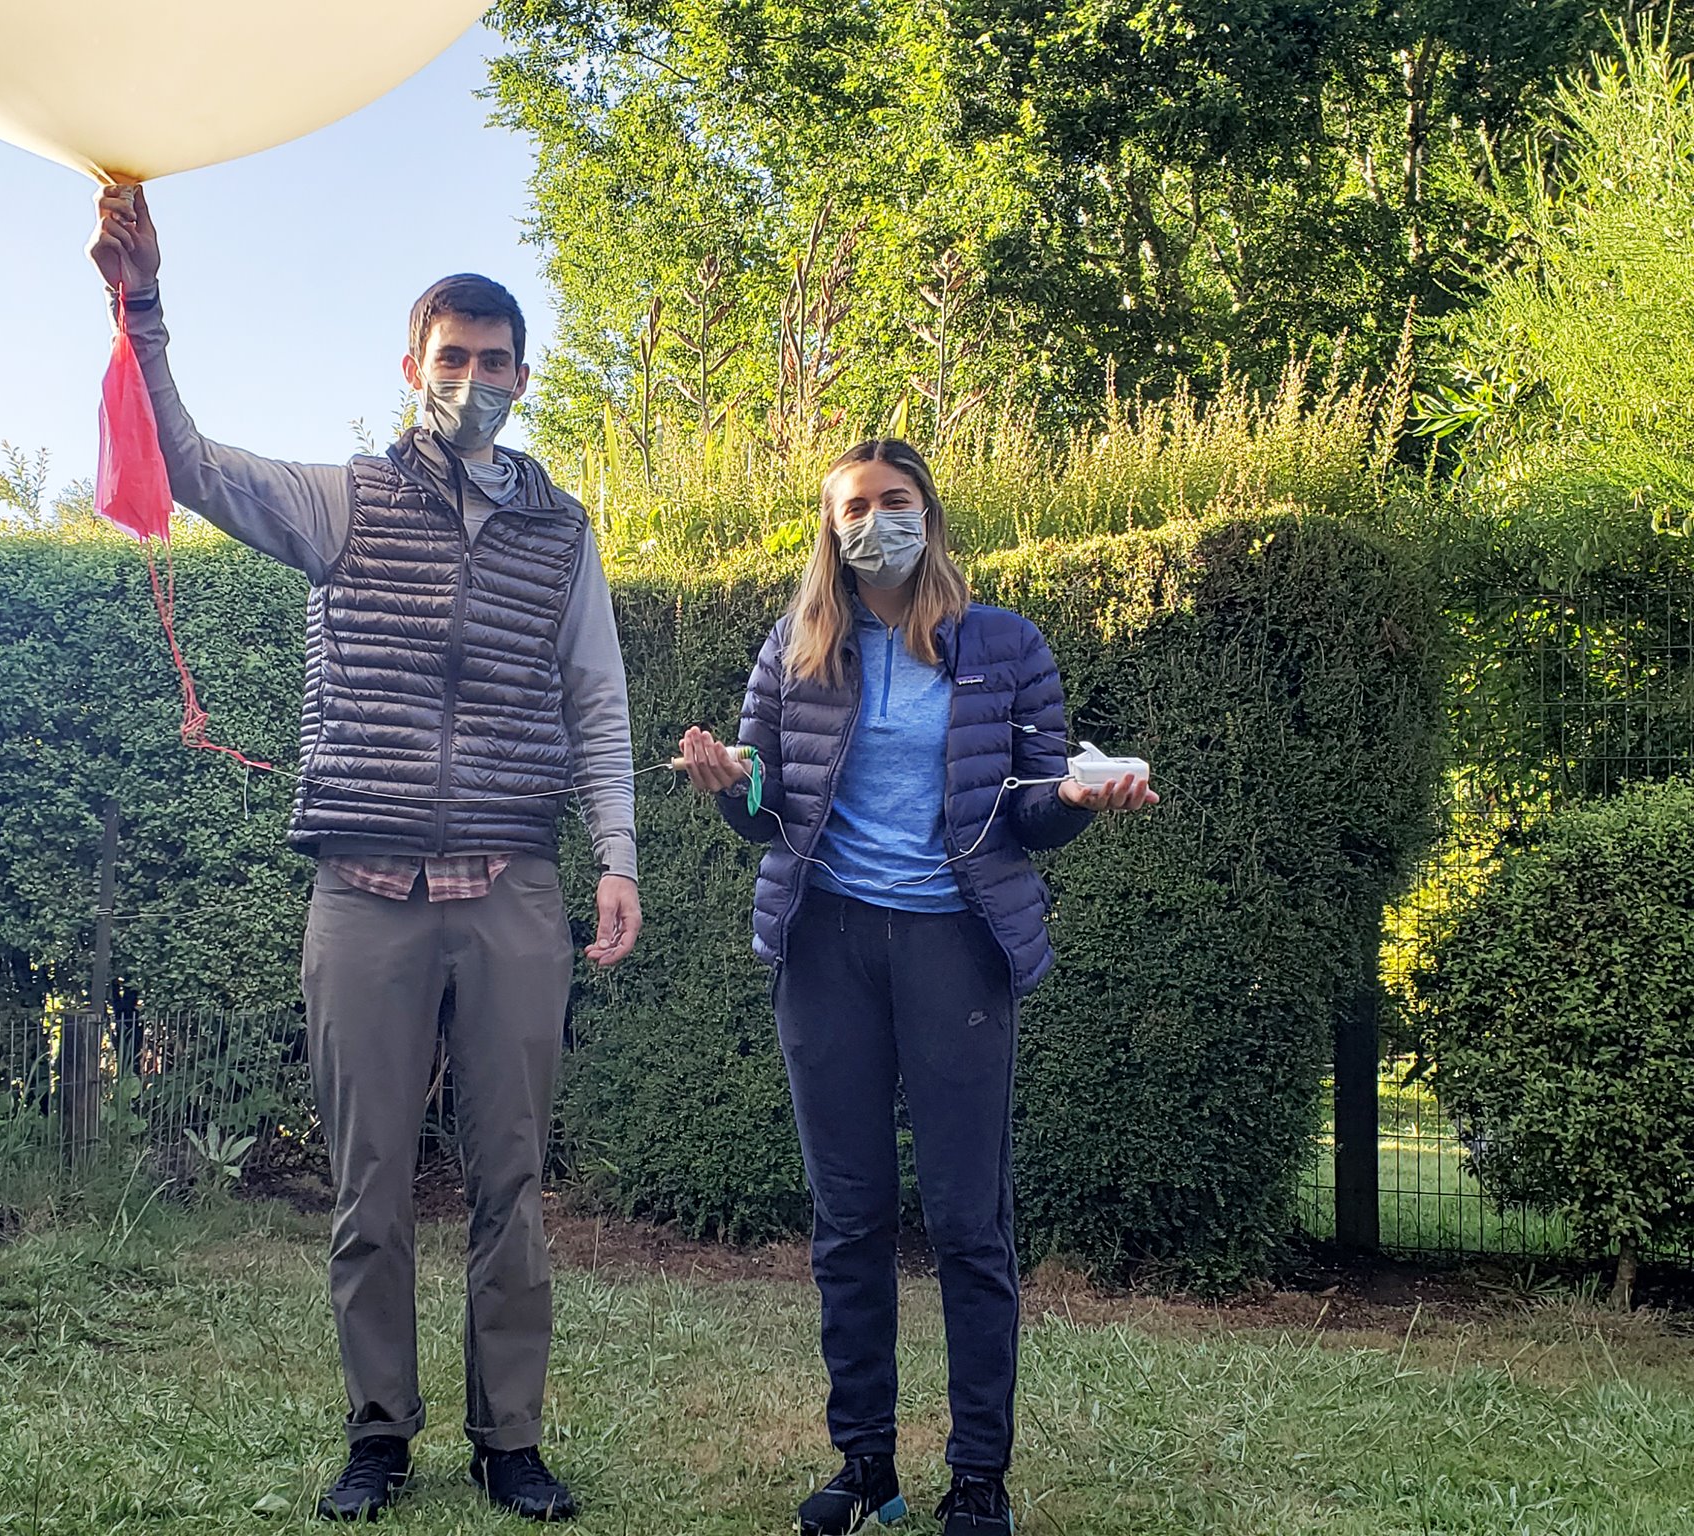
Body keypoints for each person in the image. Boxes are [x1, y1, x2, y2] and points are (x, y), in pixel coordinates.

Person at [89, 183, 640, 1523]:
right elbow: (195, 466)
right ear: (413, 369)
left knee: (512, 1182)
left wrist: (616, 851)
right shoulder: (344, 503)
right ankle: (377, 1438)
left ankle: (510, 1444)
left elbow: (598, 700)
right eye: (451, 358)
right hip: (365, 892)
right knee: (369, 1182)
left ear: (523, 375)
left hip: (512, 887)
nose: (474, 378)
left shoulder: (564, 533)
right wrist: (142, 306)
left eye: (494, 360)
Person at [680, 440, 1155, 1536]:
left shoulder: (1001, 645)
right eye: (854, 505)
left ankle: (977, 1479)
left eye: (894, 501)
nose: (874, 520)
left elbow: (1031, 809)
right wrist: (720, 786)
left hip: (956, 947)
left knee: (965, 1221)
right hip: (824, 949)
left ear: (928, 514)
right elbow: (766, 808)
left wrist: (1082, 803)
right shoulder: (796, 646)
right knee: (846, 1220)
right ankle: (865, 1470)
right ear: (827, 525)